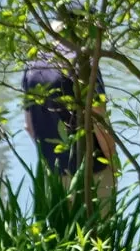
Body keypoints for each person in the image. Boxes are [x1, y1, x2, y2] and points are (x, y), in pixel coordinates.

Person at [23, 11, 117, 202]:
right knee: (99, 222)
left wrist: (51, 160)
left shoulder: (33, 64)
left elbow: (29, 127)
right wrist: (113, 162)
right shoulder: (83, 64)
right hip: (92, 173)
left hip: (53, 175)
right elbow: (98, 119)